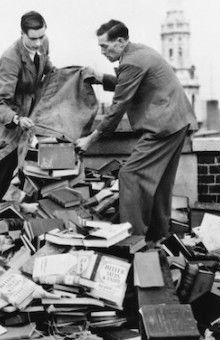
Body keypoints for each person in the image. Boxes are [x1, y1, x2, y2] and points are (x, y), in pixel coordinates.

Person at [76, 19, 197, 242]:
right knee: (160, 183)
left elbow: (118, 106)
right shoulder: (139, 52)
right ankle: (158, 237)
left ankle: (132, 240)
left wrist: (90, 139)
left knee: (130, 175)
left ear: (120, 41)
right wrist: (102, 78)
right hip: (177, 121)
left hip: (162, 126)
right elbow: (130, 82)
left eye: (105, 46)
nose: (102, 51)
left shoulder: (131, 61)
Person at [0, 11, 54, 206]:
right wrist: (17, 119)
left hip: (34, 119)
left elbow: (47, 68)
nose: (38, 43)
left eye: (41, 37)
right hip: (14, 121)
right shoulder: (10, 58)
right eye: (33, 38)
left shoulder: (43, 44)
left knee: (35, 172)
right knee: (2, 170)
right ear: (22, 33)